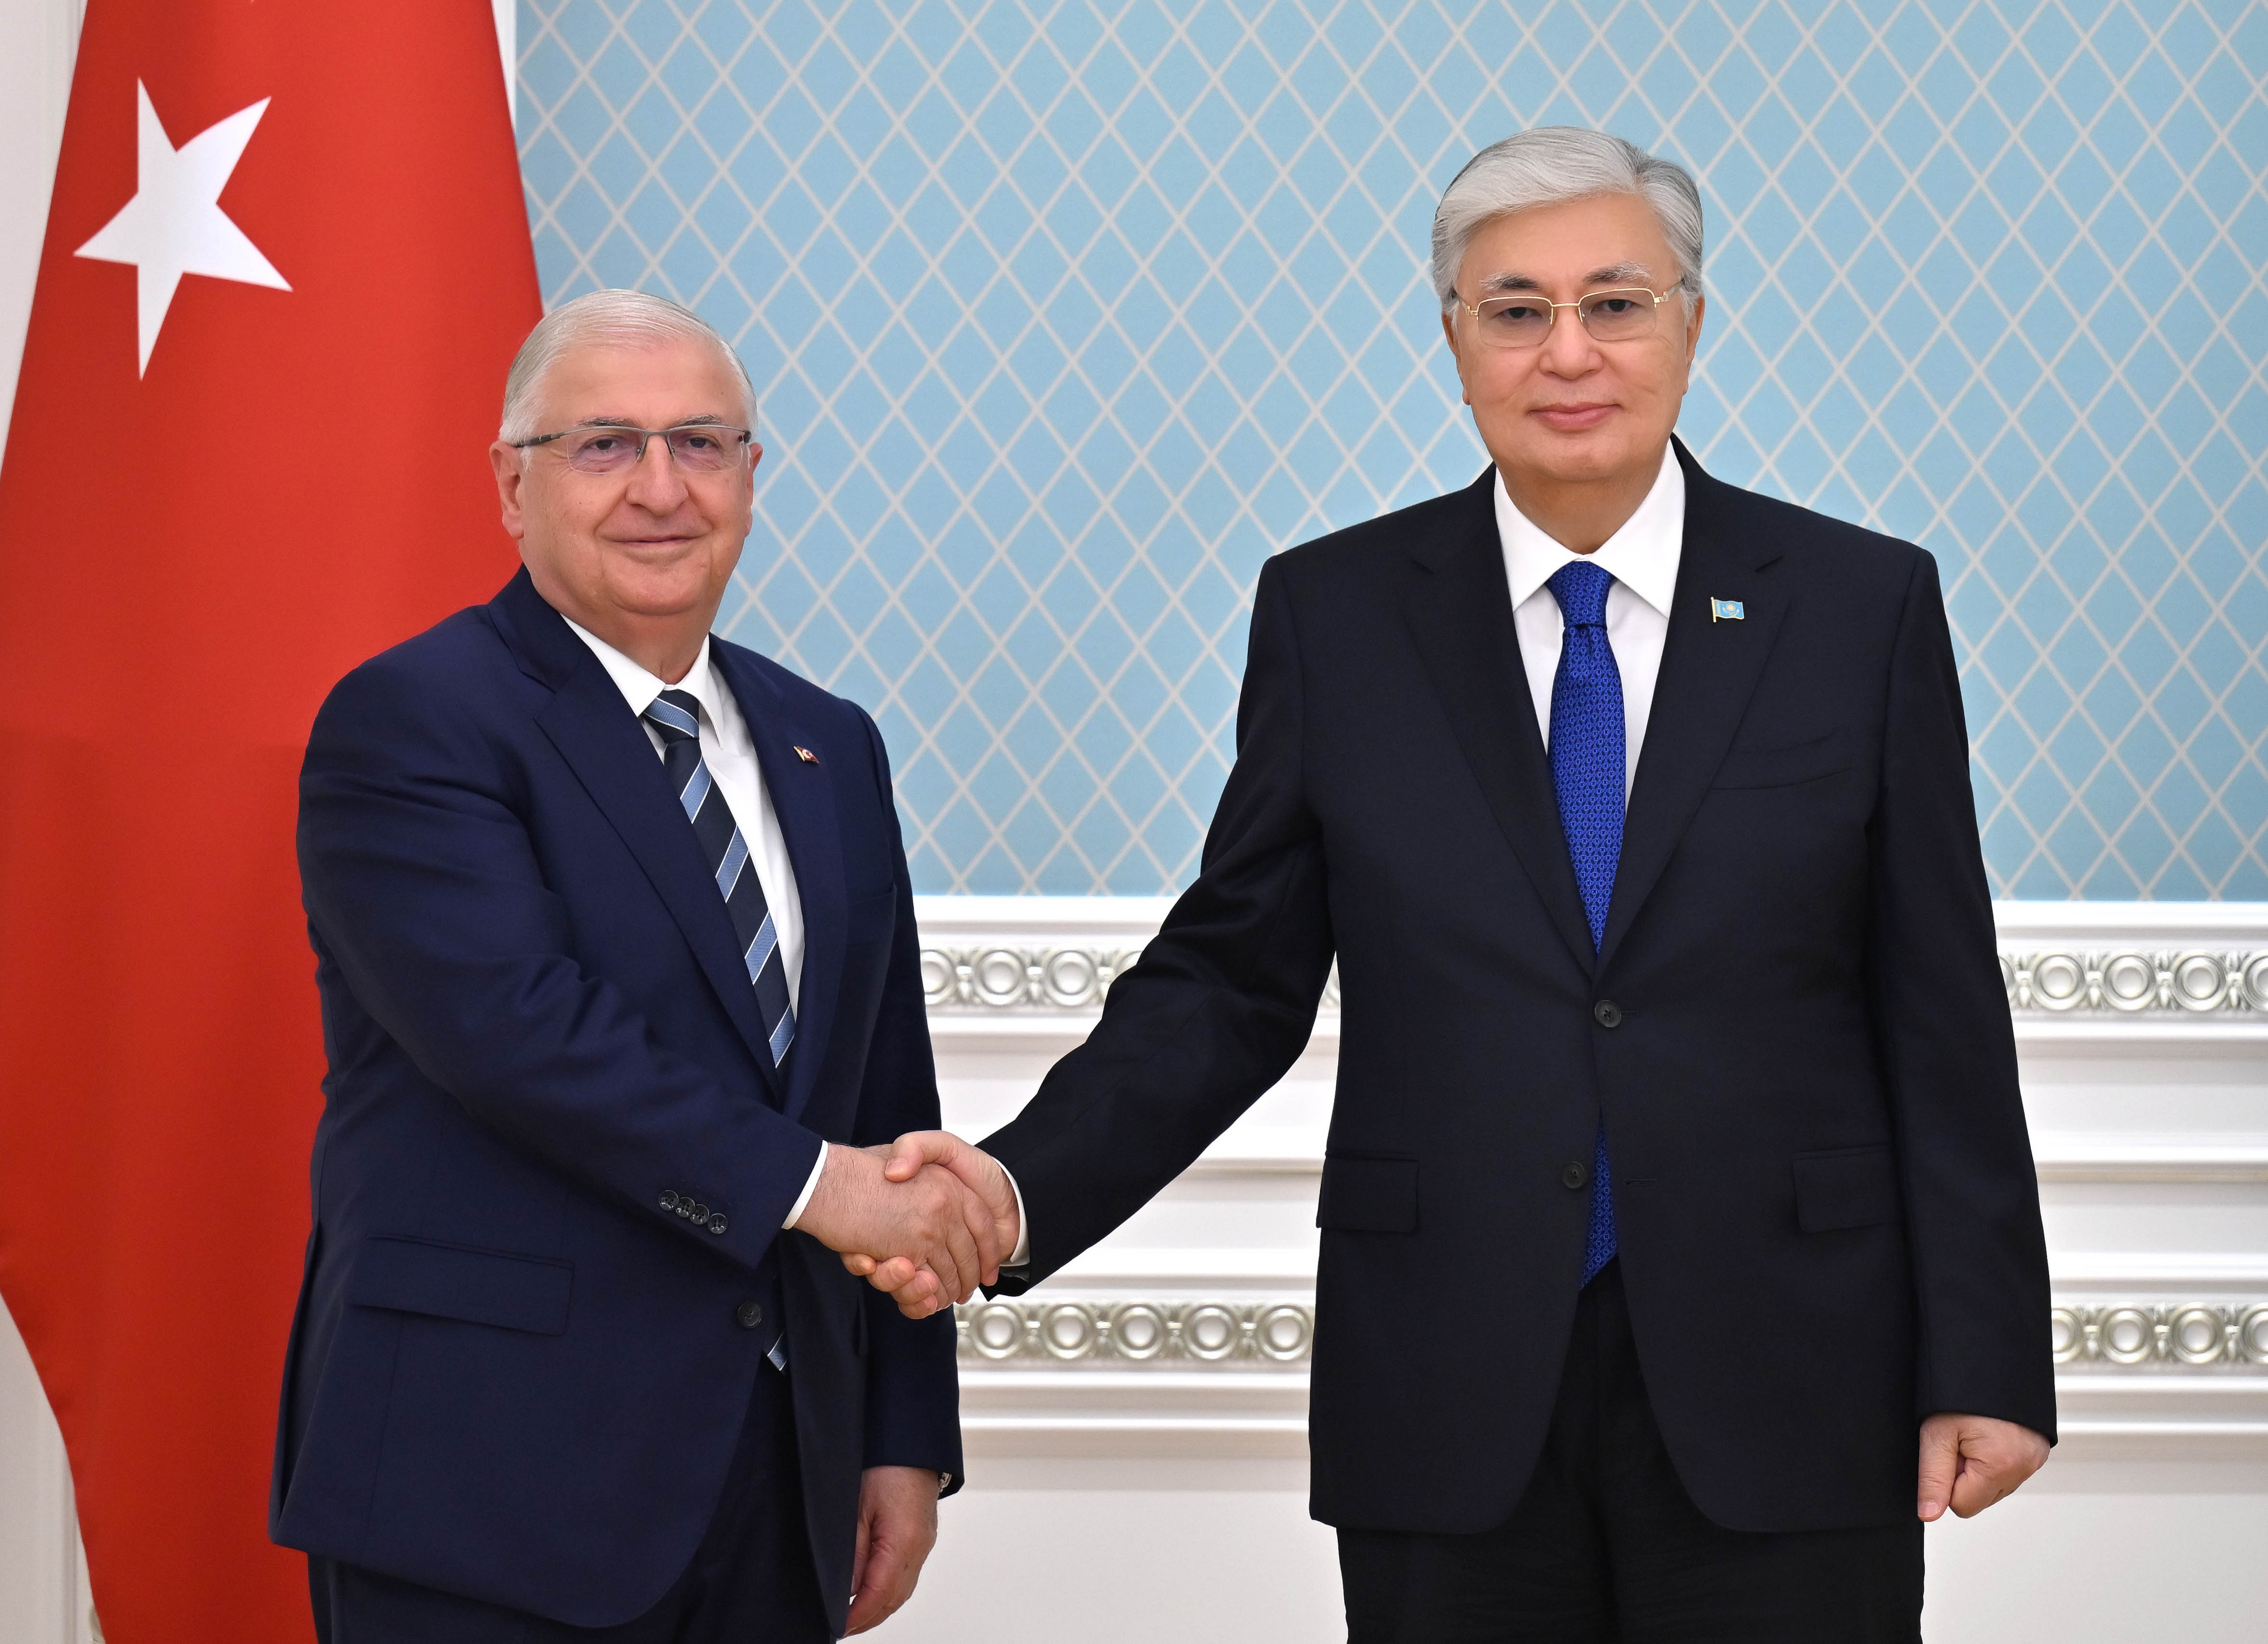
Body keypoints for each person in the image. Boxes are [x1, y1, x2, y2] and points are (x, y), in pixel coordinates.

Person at [865, 128, 2058, 1639]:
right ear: (1453, 341)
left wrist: (1986, 1357)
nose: (1567, 351)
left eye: (1613, 303)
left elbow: (1936, 1003)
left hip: (1795, 1373)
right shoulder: (1336, 614)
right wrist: (1018, 1185)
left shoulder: (1856, 604)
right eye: (1514, 310)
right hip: (1446, 1382)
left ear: (1691, 324)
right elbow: (1232, 979)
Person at [269, 290, 1003, 1640]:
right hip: (488, 1480)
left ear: (750, 476)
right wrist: (822, 1189)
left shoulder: (829, 743)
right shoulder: (415, 719)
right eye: (604, 444)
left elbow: (885, 1094)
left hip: (777, 1475)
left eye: (700, 444)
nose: (661, 489)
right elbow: (522, 1033)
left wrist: (899, 1434)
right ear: (513, 485)